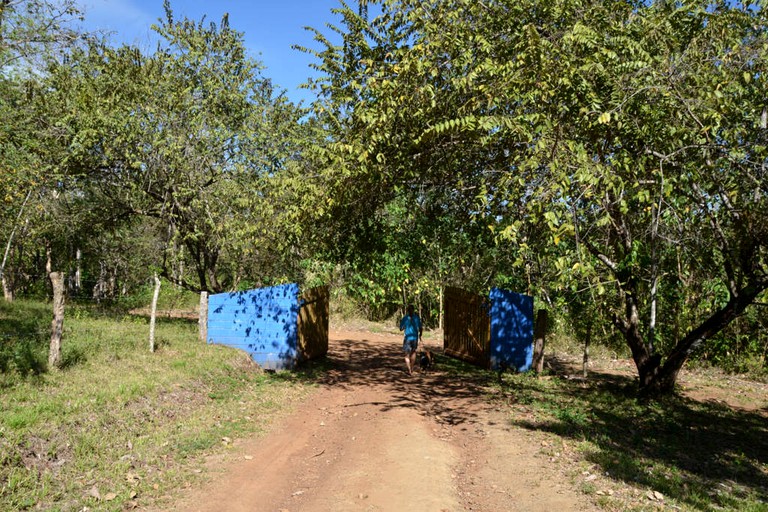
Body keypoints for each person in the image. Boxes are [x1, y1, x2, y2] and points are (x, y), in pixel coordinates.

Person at [399, 304, 422, 375]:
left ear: (408, 310)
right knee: (413, 352)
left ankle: (410, 369)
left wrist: (404, 326)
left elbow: (401, 328)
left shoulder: (405, 318)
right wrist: (420, 335)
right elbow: (420, 328)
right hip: (414, 338)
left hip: (408, 338)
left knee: (407, 354)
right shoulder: (416, 318)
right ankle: (411, 368)